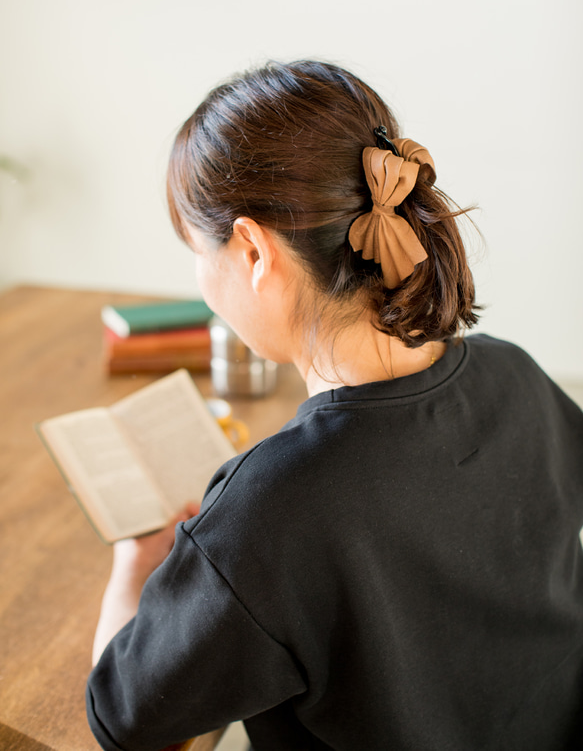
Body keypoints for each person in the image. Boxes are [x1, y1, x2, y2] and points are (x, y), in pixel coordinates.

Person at [86, 60, 583, 751]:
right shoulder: (516, 372)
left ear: (254, 251)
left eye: (197, 252)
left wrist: (133, 571)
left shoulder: (267, 513)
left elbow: (125, 721)